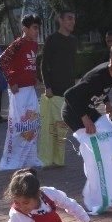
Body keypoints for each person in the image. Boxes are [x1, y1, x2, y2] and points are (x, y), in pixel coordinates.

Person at [61, 41, 112, 135]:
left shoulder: (111, 72)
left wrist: (107, 104)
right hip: (73, 113)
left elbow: (103, 88)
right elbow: (69, 94)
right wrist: (85, 119)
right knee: (93, 143)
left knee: (107, 133)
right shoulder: (97, 77)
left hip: (88, 110)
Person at [40, 10, 79, 168]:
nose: (72, 22)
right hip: (54, 91)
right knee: (51, 127)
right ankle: (46, 159)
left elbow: (74, 63)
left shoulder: (73, 41)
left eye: (74, 19)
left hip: (68, 90)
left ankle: (58, 159)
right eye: (69, 18)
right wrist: (47, 86)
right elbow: (44, 65)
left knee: (62, 128)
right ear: (61, 20)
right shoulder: (52, 40)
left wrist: (76, 82)